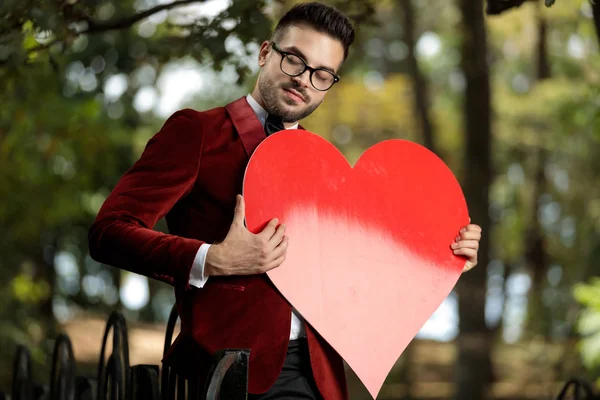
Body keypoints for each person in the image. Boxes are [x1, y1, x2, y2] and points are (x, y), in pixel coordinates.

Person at [88, 2, 482, 399]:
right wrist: (212, 258)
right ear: (264, 53)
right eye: (294, 60)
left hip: (320, 377)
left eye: (322, 74)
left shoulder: (323, 165)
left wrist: (439, 260)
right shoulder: (196, 132)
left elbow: (352, 273)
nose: (305, 81)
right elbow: (108, 232)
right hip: (228, 372)